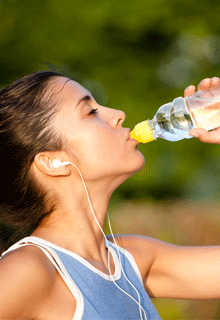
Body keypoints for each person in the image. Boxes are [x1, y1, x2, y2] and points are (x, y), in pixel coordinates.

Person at [0, 71, 219, 320]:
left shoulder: (134, 260)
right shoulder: (30, 269)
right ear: (53, 162)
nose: (118, 115)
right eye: (90, 112)